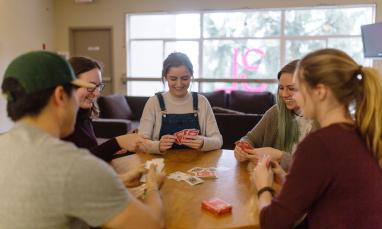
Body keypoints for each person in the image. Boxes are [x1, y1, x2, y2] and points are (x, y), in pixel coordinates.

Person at [0, 51, 164, 229]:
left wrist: (118, 181)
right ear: (60, 96)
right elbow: (151, 224)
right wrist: (152, 185)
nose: (95, 96)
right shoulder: (75, 165)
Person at [253, 48, 382, 228]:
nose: (292, 96)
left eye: (299, 89)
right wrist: (285, 177)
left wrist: (263, 186)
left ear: (320, 91)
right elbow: (335, 192)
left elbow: (273, 222)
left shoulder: (319, 144)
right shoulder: (363, 133)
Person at [234, 60, 316, 170]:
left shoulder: (323, 121)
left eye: (291, 88)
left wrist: (279, 156)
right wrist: (242, 148)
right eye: (281, 88)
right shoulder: (275, 112)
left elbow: (316, 167)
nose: (284, 94)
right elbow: (250, 138)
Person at [138, 52, 223, 154]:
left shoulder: (202, 102)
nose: (179, 84)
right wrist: (158, 145)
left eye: (185, 78)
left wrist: (204, 142)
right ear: (165, 77)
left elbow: (218, 140)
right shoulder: (153, 102)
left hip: (197, 164)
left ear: (191, 76)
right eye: (173, 79)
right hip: (161, 165)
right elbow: (140, 143)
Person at [64, 56, 143, 162]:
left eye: (99, 86)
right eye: (91, 86)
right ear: (70, 85)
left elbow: (91, 153)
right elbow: (78, 163)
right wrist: (117, 143)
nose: (97, 93)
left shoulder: (83, 114)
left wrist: (122, 144)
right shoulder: (61, 124)